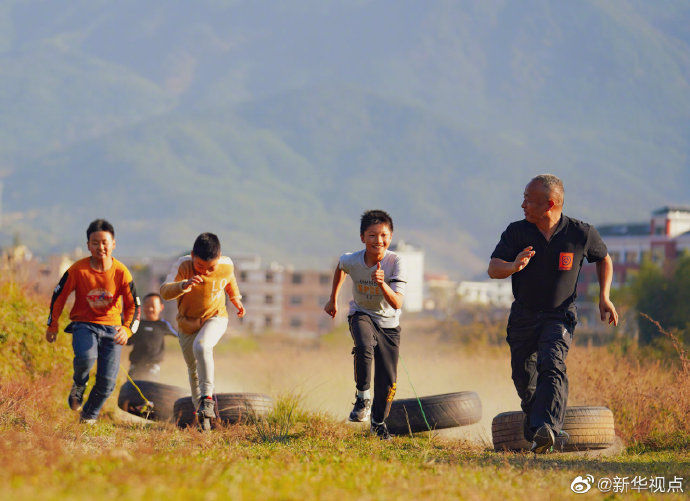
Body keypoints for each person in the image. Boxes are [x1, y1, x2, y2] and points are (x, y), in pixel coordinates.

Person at [488, 174, 618, 453]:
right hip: (523, 315)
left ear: (549, 204)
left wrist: (604, 296)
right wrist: (513, 266)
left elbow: (604, 258)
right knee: (523, 377)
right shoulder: (516, 232)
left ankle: (548, 428)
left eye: (528, 200)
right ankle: (536, 425)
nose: (522, 204)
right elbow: (493, 268)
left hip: (559, 315)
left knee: (552, 362)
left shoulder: (581, 233)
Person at [46, 219, 141, 423]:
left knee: (107, 382)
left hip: (113, 330)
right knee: (86, 359)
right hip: (84, 325)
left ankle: (88, 416)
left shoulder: (121, 272)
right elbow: (59, 296)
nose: (101, 247)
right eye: (95, 242)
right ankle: (79, 385)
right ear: (88, 245)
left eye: (105, 242)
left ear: (113, 243)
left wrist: (127, 329)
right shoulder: (77, 270)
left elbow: (135, 305)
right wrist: (52, 324)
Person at [324, 210, 407, 440]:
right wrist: (333, 299)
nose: (378, 241)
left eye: (383, 235)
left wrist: (382, 285)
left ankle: (378, 423)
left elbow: (398, 302)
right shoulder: (353, 259)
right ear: (362, 237)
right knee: (363, 345)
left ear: (390, 237)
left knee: (388, 381)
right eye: (372, 235)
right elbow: (341, 267)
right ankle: (362, 398)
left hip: (389, 325)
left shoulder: (396, 262)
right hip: (362, 313)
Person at [160, 232, 245, 428]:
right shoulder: (183, 265)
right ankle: (201, 415)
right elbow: (165, 291)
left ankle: (207, 399)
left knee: (203, 345)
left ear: (219, 257)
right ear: (192, 255)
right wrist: (184, 285)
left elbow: (229, 280)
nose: (205, 272)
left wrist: (236, 300)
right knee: (193, 369)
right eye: (200, 266)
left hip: (215, 317)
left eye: (210, 268)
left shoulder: (226, 264)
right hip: (187, 323)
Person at [127, 293, 178, 379]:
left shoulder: (163, 325)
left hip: (153, 366)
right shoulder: (138, 324)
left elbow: (178, 335)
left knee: (150, 388)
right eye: (147, 306)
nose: (150, 309)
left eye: (153, 306)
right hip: (135, 364)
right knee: (131, 387)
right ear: (143, 307)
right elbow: (128, 340)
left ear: (161, 307)